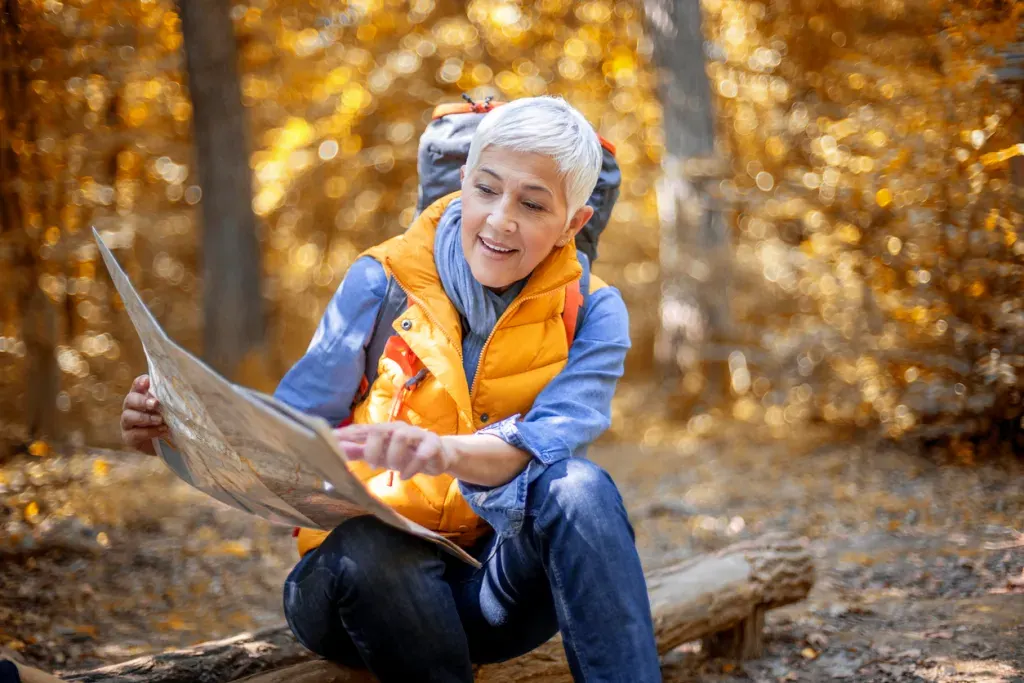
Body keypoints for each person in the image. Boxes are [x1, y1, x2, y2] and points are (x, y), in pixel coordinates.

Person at [120, 96, 661, 682]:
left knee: (581, 487)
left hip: (489, 592)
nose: (502, 219)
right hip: (356, 582)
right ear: (462, 182)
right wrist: (176, 426)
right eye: (487, 189)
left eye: (533, 204)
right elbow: (283, 433)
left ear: (574, 223)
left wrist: (442, 452)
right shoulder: (382, 281)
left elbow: (542, 446)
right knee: (380, 551)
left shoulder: (593, 309)